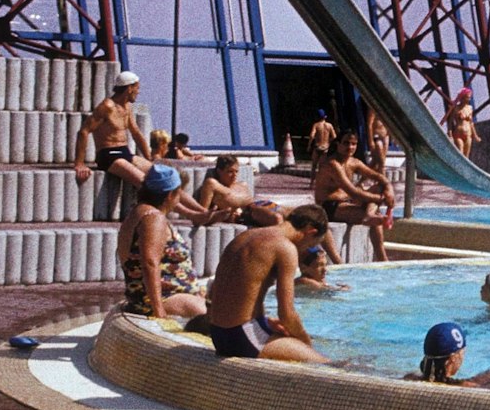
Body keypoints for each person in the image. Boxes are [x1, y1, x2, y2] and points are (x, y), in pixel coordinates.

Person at [203, 206, 333, 363]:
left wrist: (265, 322)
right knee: (326, 364)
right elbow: (286, 314)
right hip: (241, 338)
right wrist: (305, 342)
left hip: (217, 333)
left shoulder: (246, 236)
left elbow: (221, 293)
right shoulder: (285, 247)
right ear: (310, 231)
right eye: (310, 245)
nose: (305, 250)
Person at [120, 165, 206, 321]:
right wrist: (159, 311)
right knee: (221, 317)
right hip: (160, 299)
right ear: (171, 195)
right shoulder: (153, 218)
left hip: (164, 295)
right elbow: (149, 263)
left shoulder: (140, 211)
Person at [314, 129, 395, 263]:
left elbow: (378, 176)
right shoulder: (332, 164)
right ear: (338, 144)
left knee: (379, 188)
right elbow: (352, 191)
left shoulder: (354, 162)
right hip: (329, 206)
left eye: (353, 144)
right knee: (376, 214)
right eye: (346, 143)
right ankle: (382, 258)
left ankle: (369, 217)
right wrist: (381, 199)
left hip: (347, 202)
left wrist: (389, 189)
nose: (350, 147)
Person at [74, 70, 153, 189]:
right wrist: (79, 163)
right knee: (146, 183)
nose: (138, 92)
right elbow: (83, 131)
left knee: (161, 177)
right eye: (137, 88)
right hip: (109, 155)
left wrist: (149, 158)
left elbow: (136, 133)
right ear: (129, 88)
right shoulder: (107, 106)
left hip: (125, 152)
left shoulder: (127, 107)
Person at [196, 154, 280, 226]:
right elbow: (202, 215)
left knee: (286, 213)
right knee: (277, 218)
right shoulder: (212, 184)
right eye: (230, 171)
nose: (234, 175)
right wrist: (222, 217)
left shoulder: (242, 184)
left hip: (260, 205)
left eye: (236, 171)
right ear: (219, 171)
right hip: (249, 214)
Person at [446, 87, 479, 159]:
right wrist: (449, 132)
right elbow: (451, 121)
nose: (469, 99)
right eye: (467, 97)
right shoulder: (456, 108)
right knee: (460, 151)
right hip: (458, 134)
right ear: (463, 98)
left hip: (468, 134)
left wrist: (475, 135)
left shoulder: (470, 108)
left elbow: (471, 123)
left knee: (466, 155)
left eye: (469, 97)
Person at [307, 108, 336, 175]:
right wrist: (328, 141)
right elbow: (334, 137)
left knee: (314, 166)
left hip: (317, 147)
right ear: (325, 116)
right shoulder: (329, 125)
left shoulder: (316, 125)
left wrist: (309, 145)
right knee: (322, 166)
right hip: (325, 148)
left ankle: (312, 180)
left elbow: (311, 136)